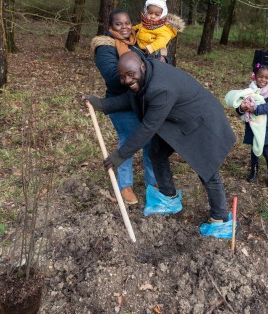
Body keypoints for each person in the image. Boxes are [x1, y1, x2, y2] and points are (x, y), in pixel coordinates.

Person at [85, 51, 237, 239]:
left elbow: (148, 128)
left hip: (203, 122)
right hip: (178, 119)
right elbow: (131, 97)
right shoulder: (145, 74)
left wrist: (120, 155)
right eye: (123, 77)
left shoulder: (160, 88)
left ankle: (220, 219)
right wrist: (102, 104)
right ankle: (169, 198)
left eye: (130, 75)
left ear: (141, 66)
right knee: (156, 151)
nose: (127, 80)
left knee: (207, 169)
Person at [91, 9, 157, 205]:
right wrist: (143, 74)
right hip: (120, 102)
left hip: (142, 99)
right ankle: (125, 186)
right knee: (128, 140)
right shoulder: (105, 47)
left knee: (149, 140)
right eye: (118, 24)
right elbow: (113, 78)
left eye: (127, 22)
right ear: (110, 26)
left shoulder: (137, 42)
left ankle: (153, 184)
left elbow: (153, 64)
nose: (124, 27)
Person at [226, 63, 268, 187]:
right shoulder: (250, 90)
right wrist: (242, 108)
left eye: (266, 77)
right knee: (254, 148)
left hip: (267, 127)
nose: (263, 80)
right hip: (252, 125)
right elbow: (239, 103)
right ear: (254, 76)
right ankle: (254, 170)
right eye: (261, 76)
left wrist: (255, 108)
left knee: (266, 149)